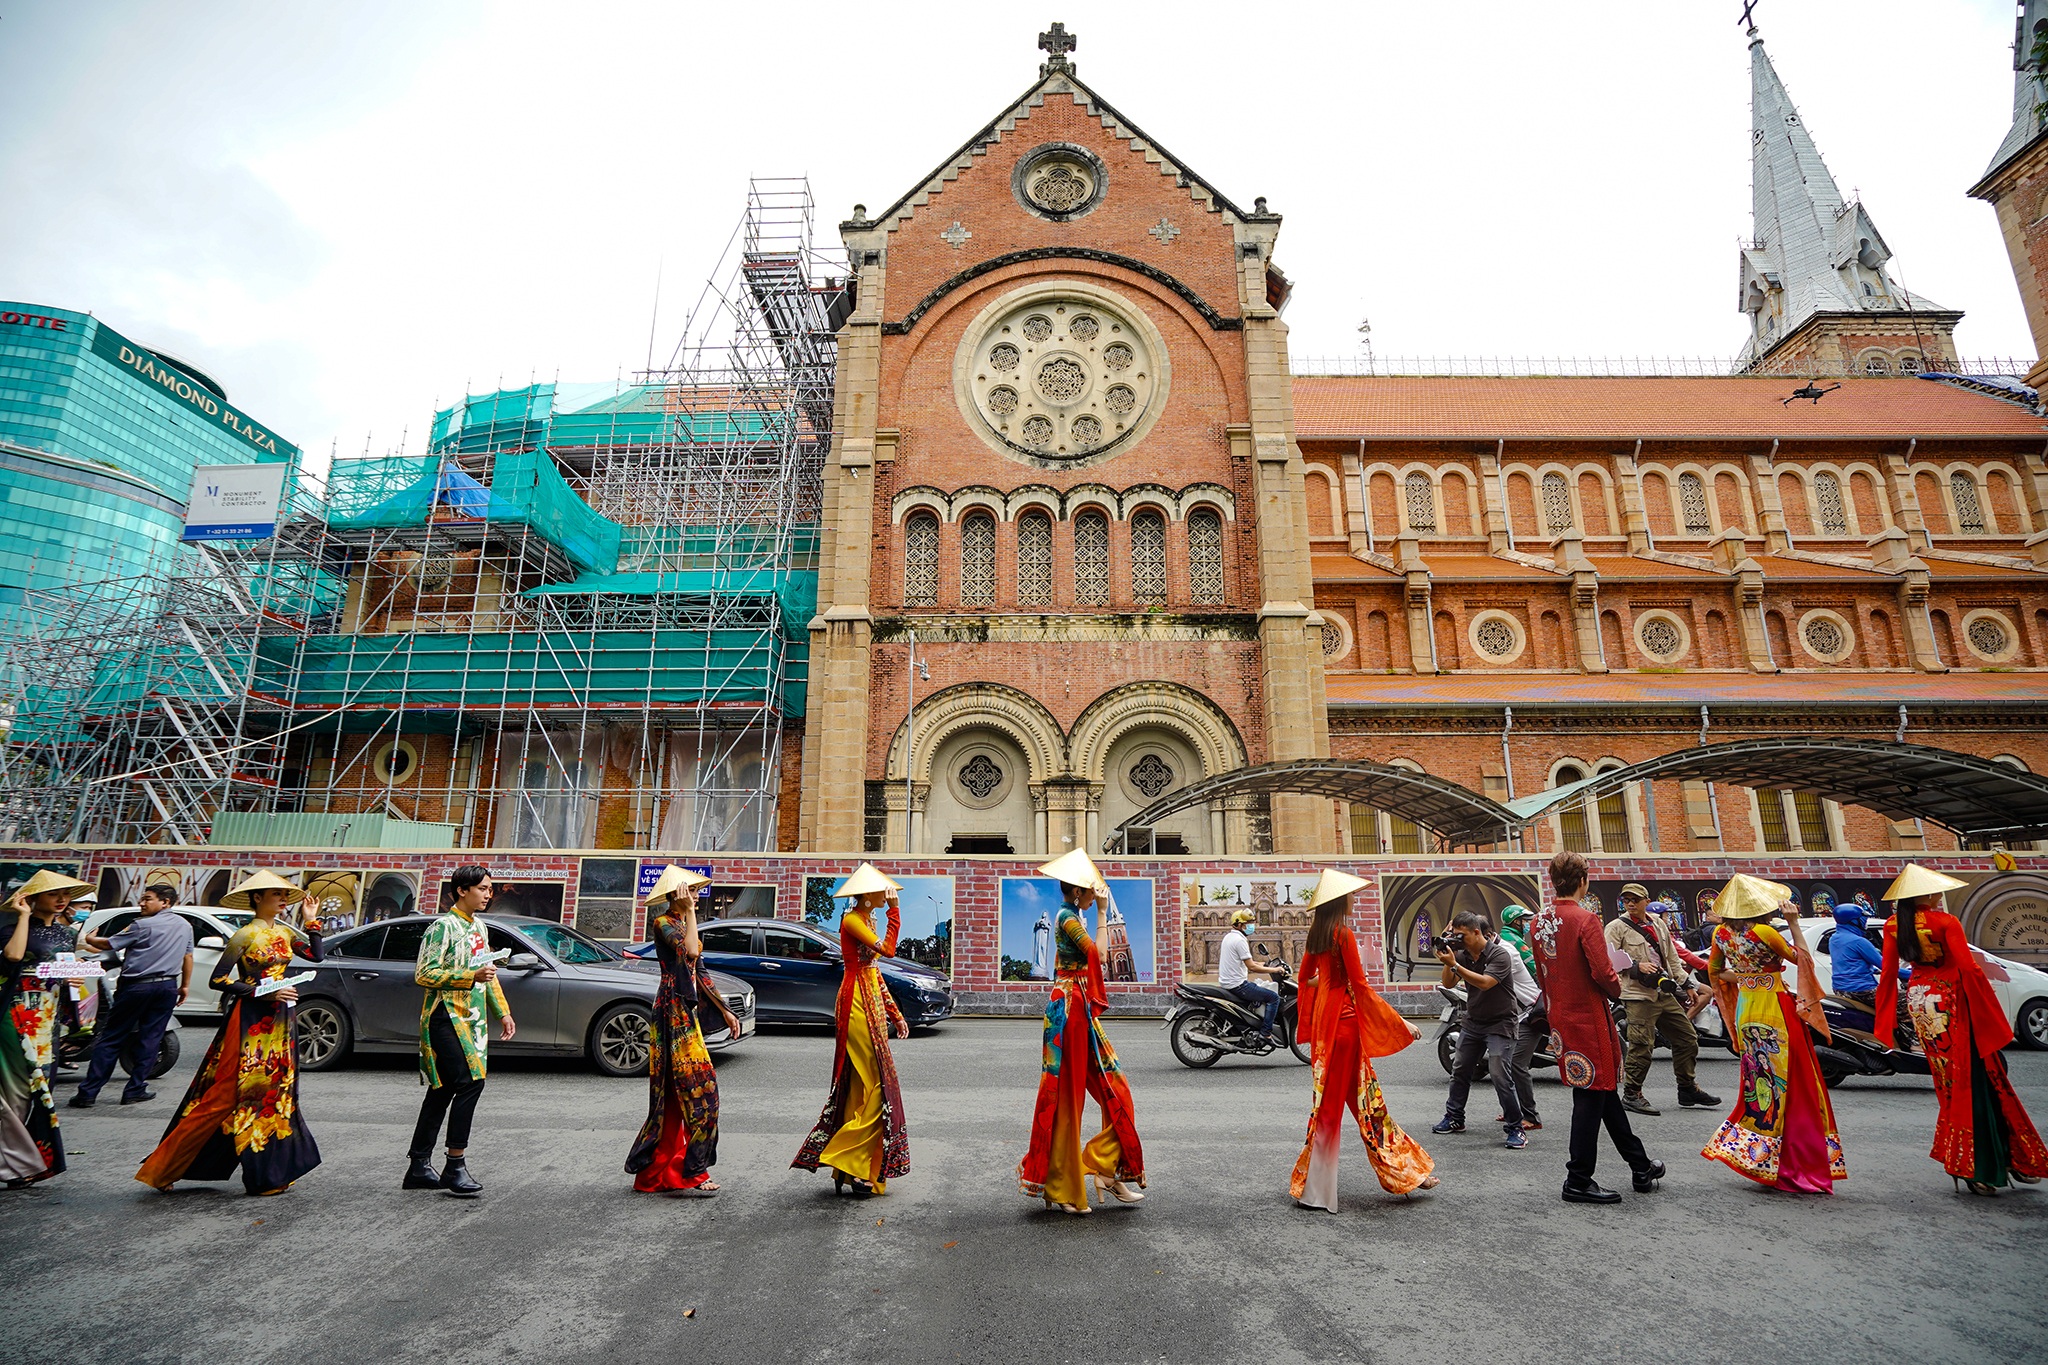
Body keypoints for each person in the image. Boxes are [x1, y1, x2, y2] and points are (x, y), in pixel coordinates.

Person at [137, 872, 324, 1196]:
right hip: (251, 1018)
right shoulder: (244, 934)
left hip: (281, 1020)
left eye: (284, 895)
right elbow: (219, 980)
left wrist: (311, 921)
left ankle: (272, 1172)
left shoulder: (284, 932)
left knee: (275, 1094)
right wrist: (260, 993)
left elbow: (316, 956)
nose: (283, 900)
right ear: (257, 898)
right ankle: (163, 1166)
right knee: (229, 1094)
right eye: (275, 894)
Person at [1875, 865, 2046, 1196]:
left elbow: (1888, 973)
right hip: (1952, 1001)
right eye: (1935, 891)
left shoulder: (1895, 925)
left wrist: (1885, 1020)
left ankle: (1982, 1159)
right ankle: (1983, 1162)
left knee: (1950, 1083)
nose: (1939, 895)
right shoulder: (1946, 922)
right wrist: (1989, 1008)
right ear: (1924, 895)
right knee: (1977, 1079)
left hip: (1921, 1002)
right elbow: (1968, 967)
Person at [1290, 869, 1437, 1210]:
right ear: (1340, 900)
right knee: (1362, 1105)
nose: (1355, 900)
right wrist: (1400, 1020)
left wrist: (1327, 985)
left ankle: (1401, 1174)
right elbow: (1361, 987)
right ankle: (1324, 1190)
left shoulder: (1316, 935)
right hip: (1345, 1028)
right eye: (1352, 895)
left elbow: (1304, 979)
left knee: (1352, 1105)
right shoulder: (1343, 934)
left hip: (1326, 1032)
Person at [1530, 850, 1663, 1204]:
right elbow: (1604, 973)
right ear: (1584, 881)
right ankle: (1577, 1179)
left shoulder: (1538, 920)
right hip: (1589, 1018)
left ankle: (1640, 1164)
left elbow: (1542, 971)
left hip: (1561, 1018)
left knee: (1599, 1092)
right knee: (1591, 1095)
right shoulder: (1585, 919)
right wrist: (1617, 988)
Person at [1017, 849, 1145, 1215]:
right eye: (1093, 890)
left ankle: (1106, 1170)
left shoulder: (1073, 917)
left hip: (1079, 1009)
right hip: (1069, 1011)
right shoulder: (1067, 918)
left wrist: (1099, 913)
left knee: (1115, 1089)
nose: (1097, 894)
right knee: (1068, 1099)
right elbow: (1100, 957)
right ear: (1078, 892)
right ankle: (1062, 1185)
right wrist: (1104, 914)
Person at [1699, 874, 1845, 1194]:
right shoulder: (1765, 931)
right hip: (1775, 1007)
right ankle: (1793, 1159)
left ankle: (1760, 1154)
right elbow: (1802, 959)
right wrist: (1793, 924)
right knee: (1795, 1082)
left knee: (1761, 1081)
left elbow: (1714, 972)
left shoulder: (1721, 934)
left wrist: (1744, 976)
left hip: (1747, 1012)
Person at [793, 863, 912, 1196]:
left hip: (870, 997)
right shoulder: (852, 920)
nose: (885, 894)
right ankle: (845, 1157)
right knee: (876, 1083)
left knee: (863, 1085)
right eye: (881, 891)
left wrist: (895, 1012)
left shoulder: (866, 919)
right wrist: (895, 913)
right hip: (856, 1003)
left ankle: (852, 1169)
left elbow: (875, 970)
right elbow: (886, 951)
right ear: (868, 895)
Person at [627, 866, 741, 1197]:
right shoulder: (664, 923)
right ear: (676, 895)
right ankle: (686, 1170)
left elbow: (700, 971)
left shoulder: (683, 923)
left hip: (684, 1016)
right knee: (692, 1092)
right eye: (690, 891)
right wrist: (690, 913)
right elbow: (691, 952)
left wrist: (725, 1010)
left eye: (694, 892)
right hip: (670, 1014)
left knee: (687, 1094)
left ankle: (670, 1171)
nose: (695, 896)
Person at [404, 864, 514, 1198]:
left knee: (443, 1089)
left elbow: (489, 973)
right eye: (482, 888)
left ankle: (419, 1165)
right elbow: (424, 973)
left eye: (490, 889)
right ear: (462, 890)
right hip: (445, 1017)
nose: (488, 894)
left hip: (474, 1019)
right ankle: (455, 1164)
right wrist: (468, 977)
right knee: (470, 1083)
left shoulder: (479, 927)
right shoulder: (443, 926)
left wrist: (503, 1013)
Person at [71, 883, 193, 1108]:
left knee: (112, 1037)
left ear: (165, 902)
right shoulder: (185, 926)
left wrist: (87, 939)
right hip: (167, 987)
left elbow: (108, 943)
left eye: (148, 899)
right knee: (151, 1038)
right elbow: (187, 957)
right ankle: (135, 1089)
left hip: (136, 987)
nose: (142, 903)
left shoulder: (141, 925)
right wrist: (184, 985)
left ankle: (88, 1093)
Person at [0, 870, 87, 1186]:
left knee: (42, 1089)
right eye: (54, 894)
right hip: (17, 1014)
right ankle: (14, 1164)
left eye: (66, 895)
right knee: (18, 1090)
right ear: (33, 898)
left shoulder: (68, 934)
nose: (62, 900)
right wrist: (23, 916)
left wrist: (73, 976)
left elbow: (63, 970)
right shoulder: (11, 929)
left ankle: (25, 1163)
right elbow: (13, 957)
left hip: (49, 1019)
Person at [1606, 883, 1720, 1116]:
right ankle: (1632, 1093)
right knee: (1641, 1045)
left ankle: (1687, 1088)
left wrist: (1687, 985)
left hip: (1663, 991)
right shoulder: (1616, 927)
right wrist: (1637, 968)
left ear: (1646, 900)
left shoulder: (1658, 924)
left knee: (1687, 1038)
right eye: (1626, 899)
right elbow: (1607, 961)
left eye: (1635, 899)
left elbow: (1672, 959)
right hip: (1637, 995)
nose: (1630, 903)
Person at [1432, 911, 1526, 1148]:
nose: (1458, 940)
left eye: (1461, 936)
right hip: (1474, 1021)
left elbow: (1485, 983)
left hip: (1501, 1022)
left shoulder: (1499, 955)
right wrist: (1448, 961)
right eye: (1455, 936)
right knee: (1460, 1070)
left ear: (1476, 932)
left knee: (1499, 1075)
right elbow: (1448, 983)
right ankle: (1454, 1118)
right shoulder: (1462, 955)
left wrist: (1454, 965)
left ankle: (1516, 1128)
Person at [1828, 900, 1911, 1038]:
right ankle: (1916, 1043)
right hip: (1862, 990)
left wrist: (1871, 970)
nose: (1865, 922)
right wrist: (1911, 974)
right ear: (1854, 921)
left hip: (1840, 989)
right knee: (1910, 1002)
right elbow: (1887, 966)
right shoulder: (1859, 941)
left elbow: (1848, 962)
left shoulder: (1834, 939)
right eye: (1863, 919)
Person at [1498, 906, 1545, 1133]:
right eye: (1525, 920)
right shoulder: (1513, 941)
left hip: (1528, 1013)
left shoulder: (1509, 939)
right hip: (1527, 1009)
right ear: (1515, 921)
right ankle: (1518, 1111)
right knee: (1510, 1063)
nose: (1528, 923)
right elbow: (1536, 968)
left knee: (1515, 1064)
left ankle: (1529, 1115)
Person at [1218, 908, 1285, 1038]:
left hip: (1229, 983)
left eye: (1251, 923)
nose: (1250, 926)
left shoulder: (1229, 937)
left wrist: (1262, 964)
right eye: (1247, 923)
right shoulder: (1240, 940)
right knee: (1273, 997)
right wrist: (1275, 969)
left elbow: (1244, 962)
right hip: (1238, 985)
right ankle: (1265, 1033)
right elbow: (1252, 967)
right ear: (1238, 925)